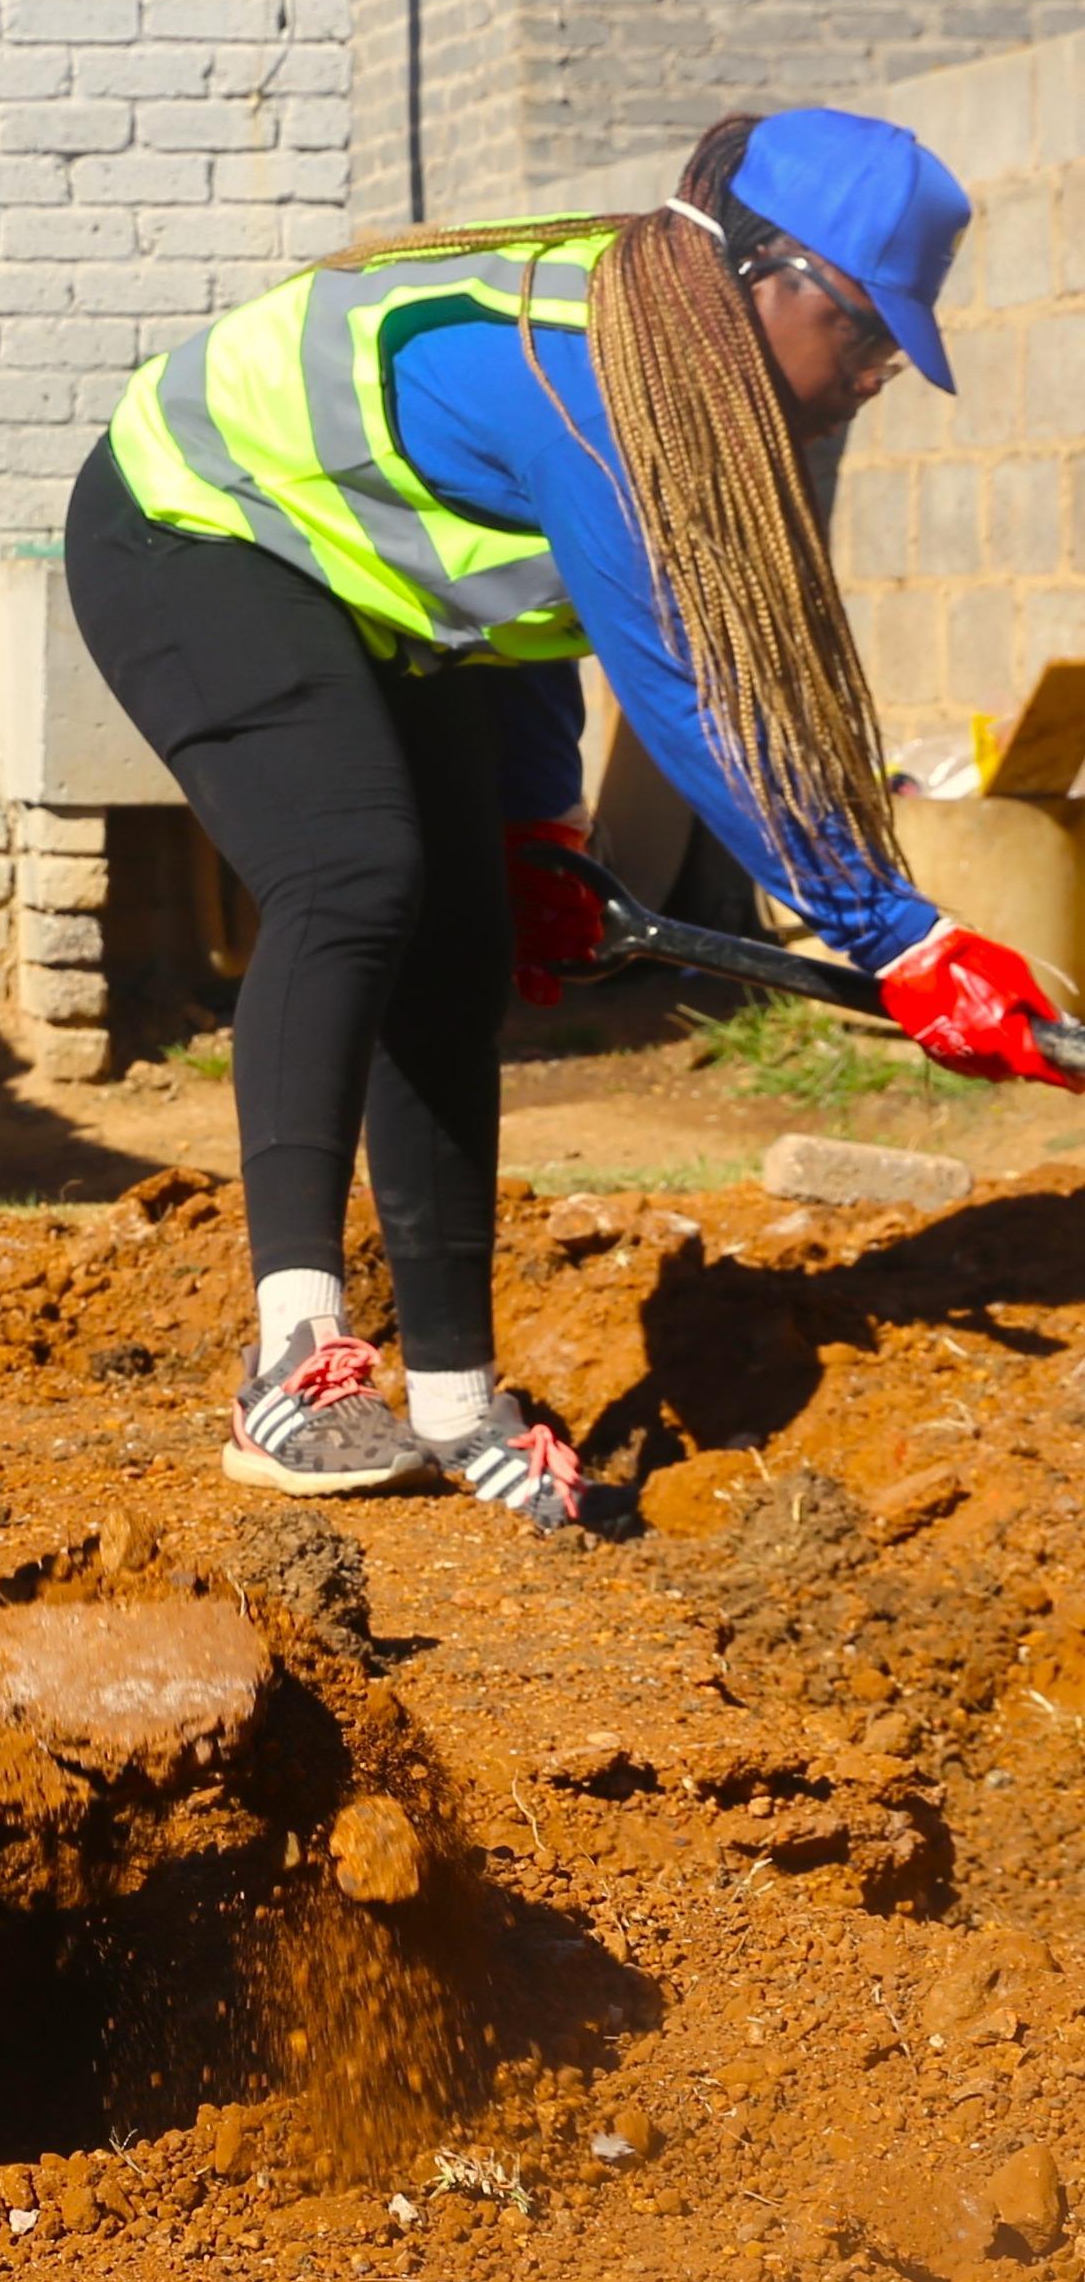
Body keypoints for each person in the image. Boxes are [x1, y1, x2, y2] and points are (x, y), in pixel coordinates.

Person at [67, 108, 1077, 1526]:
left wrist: (538, 827)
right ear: (772, 274)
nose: (875, 375)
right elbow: (688, 692)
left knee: (462, 942)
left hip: (370, 599)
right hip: (193, 526)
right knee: (357, 876)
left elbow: (528, 617)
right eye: (866, 334)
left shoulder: (670, 383)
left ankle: (453, 1402)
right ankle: (294, 1366)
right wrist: (895, 935)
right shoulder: (597, 382)